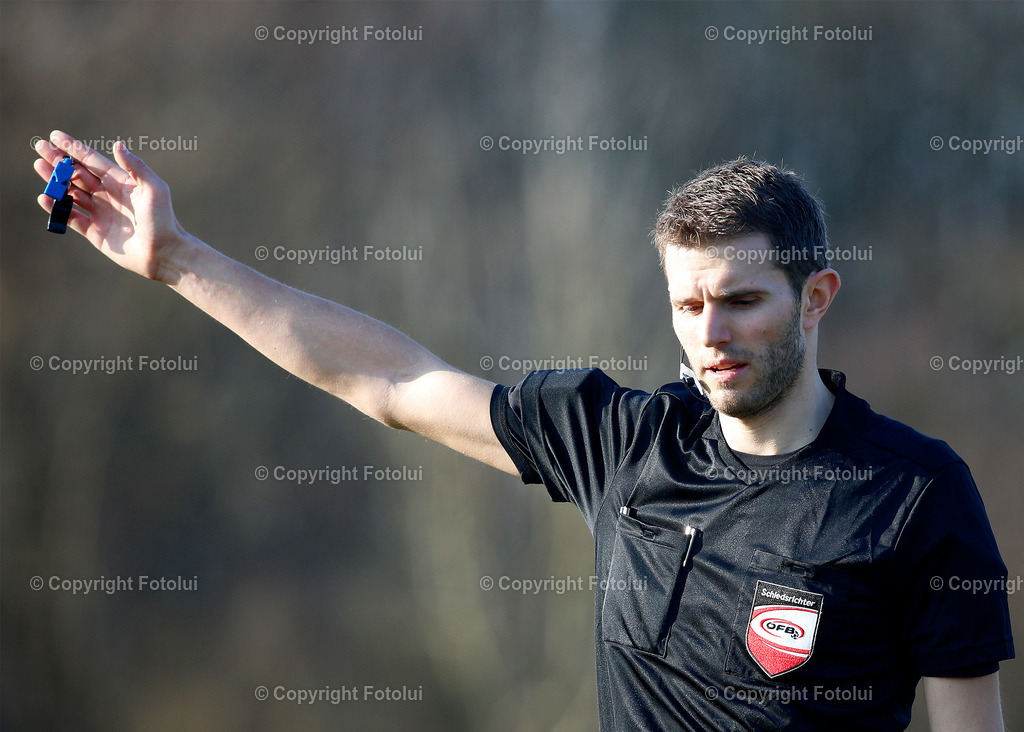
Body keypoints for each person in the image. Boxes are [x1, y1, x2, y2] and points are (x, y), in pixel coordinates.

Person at [34, 131, 1014, 730]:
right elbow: (391, 380)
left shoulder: (917, 495)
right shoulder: (622, 444)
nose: (709, 334)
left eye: (742, 300)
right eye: (686, 305)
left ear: (815, 298)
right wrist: (178, 260)